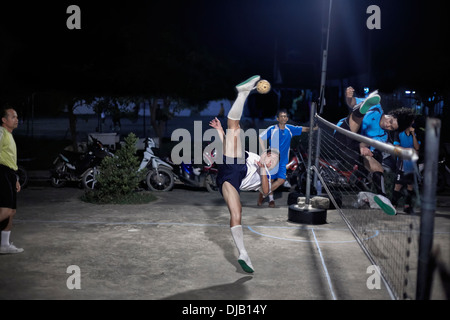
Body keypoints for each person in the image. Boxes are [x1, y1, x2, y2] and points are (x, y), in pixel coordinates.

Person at [209, 75, 280, 274]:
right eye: (269, 154)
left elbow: (265, 193)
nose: (270, 157)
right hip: (233, 165)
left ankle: (243, 254)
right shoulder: (255, 157)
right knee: (235, 128)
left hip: (228, 178)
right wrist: (220, 132)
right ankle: (243, 94)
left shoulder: (265, 174)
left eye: (273, 159)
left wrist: (263, 169)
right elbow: (230, 150)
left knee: (237, 213)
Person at [335, 88, 415, 215]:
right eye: (390, 121)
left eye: (391, 127)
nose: (388, 125)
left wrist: (364, 149)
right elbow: (351, 102)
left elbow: (367, 146)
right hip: (342, 133)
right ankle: (361, 111)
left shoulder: (382, 136)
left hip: (354, 147)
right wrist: (349, 97)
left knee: (377, 165)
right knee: (355, 124)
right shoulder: (376, 106)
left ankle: (382, 196)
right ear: (391, 115)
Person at [258, 109, 316, 207]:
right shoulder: (272, 129)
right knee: (270, 180)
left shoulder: (290, 129)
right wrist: (265, 152)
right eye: (281, 116)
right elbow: (261, 138)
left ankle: (263, 192)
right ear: (277, 118)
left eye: (285, 116)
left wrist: (314, 128)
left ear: (287, 118)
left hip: (283, 161)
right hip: (272, 159)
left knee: (281, 180)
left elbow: (303, 129)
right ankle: (271, 200)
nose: (283, 118)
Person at [0, 106, 23, 254]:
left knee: (12, 211)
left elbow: (11, 161)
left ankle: (4, 245)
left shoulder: (9, 134)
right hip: (1, 172)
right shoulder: (1, 132)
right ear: (4, 120)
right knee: (6, 210)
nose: (17, 120)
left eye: (17, 117)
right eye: (13, 117)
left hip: (10, 173)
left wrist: (16, 178)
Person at [391, 122, 420, 214]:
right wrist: (410, 150)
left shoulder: (416, 133)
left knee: (410, 186)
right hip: (402, 163)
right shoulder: (398, 132)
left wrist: (413, 135)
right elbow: (396, 147)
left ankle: (407, 206)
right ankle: (393, 205)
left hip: (412, 164)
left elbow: (417, 147)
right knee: (398, 185)